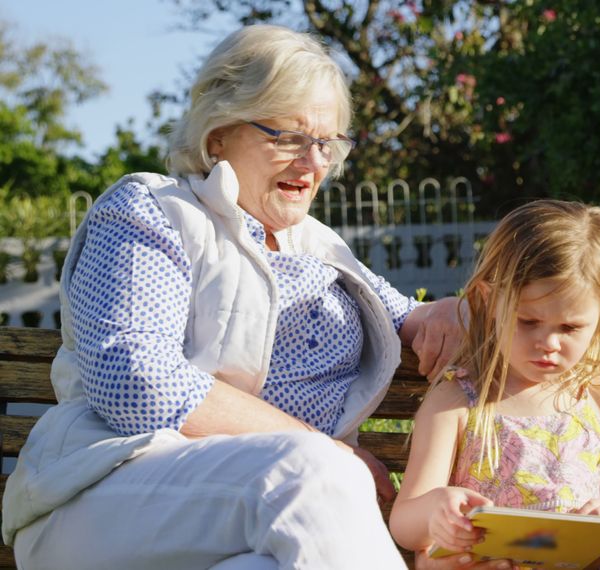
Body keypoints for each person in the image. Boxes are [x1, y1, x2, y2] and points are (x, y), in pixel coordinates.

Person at [2, 25, 462, 569]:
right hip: (103, 493)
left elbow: (410, 316)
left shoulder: (321, 248)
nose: (313, 162)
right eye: (287, 136)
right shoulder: (152, 211)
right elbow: (133, 377)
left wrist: (447, 310)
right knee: (310, 471)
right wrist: (321, 446)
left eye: (328, 142)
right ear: (217, 133)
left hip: (255, 525)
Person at [389, 200, 600, 565]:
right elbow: (404, 521)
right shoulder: (459, 401)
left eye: (570, 327)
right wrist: (436, 511)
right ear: (487, 300)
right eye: (528, 321)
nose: (548, 343)